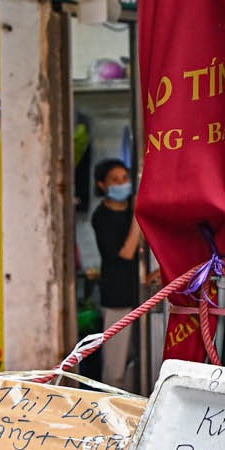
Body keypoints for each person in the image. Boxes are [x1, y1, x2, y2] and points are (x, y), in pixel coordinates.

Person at [89, 159, 147, 388]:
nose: (122, 184)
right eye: (115, 180)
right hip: (117, 299)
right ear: (102, 185)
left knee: (136, 364)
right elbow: (126, 253)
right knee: (115, 371)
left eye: (125, 178)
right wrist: (138, 216)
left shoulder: (130, 212)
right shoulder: (101, 217)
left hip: (138, 295)